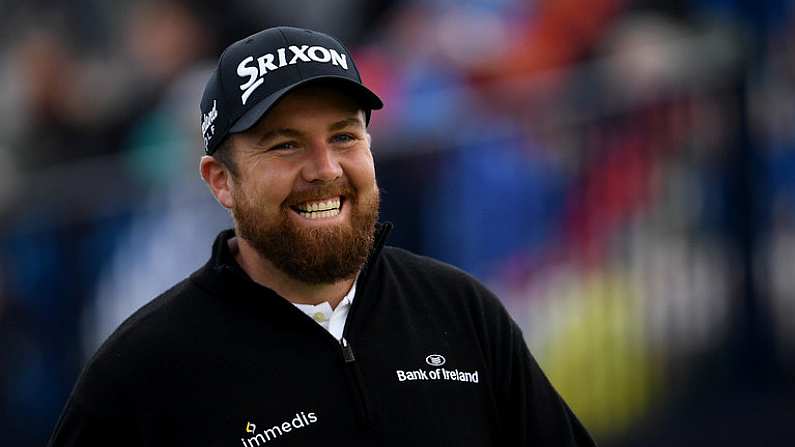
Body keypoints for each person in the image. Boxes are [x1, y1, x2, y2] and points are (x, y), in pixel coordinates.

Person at [48, 26, 596, 446]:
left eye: (343, 136)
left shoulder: (459, 312)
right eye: (284, 144)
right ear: (222, 182)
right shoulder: (141, 373)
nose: (325, 168)